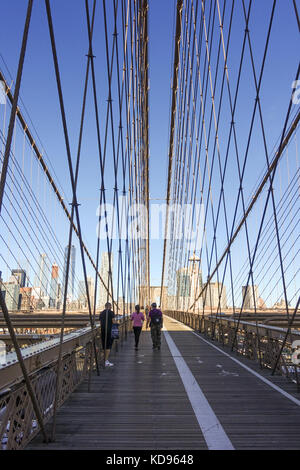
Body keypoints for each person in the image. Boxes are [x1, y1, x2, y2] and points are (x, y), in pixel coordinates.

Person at [99, 302, 116, 367]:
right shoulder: (111, 313)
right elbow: (113, 322)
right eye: (111, 306)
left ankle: (104, 360)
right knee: (108, 346)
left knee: (104, 346)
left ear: (105, 306)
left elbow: (100, 323)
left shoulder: (101, 313)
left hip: (103, 331)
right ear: (110, 306)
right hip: (110, 331)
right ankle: (105, 361)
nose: (111, 307)